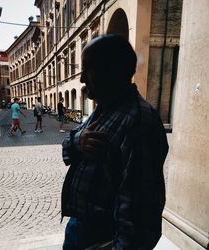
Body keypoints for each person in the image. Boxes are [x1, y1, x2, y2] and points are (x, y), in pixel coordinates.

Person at [61, 34, 169, 250]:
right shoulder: (103, 108)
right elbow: (67, 147)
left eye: (88, 68)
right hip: (79, 229)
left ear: (113, 70)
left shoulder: (139, 121)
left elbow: (141, 214)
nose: (82, 79)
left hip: (103, 238)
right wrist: (76, 141)